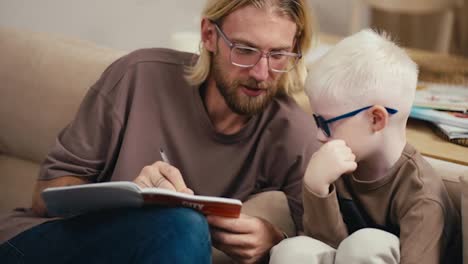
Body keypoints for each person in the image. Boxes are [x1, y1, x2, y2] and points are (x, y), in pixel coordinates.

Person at [0, 0, 319, 263]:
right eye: (245, 50)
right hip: (38, 245)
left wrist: (276, 240)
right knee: (185, 225)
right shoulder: (138, 76)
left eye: (278, 55)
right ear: (209, 35)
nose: (261, 74)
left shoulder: (290, 131)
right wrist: (129, 198)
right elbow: (44, 197)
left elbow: (326, 244)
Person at [269, 30, 461, 264]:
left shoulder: (423, 196)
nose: (319, 135)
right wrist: (318, 189)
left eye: (326, 123)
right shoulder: (337, 164)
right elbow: (324, 248)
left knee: (366, 246)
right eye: (316, 121)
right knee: (293, 250)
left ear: (376, 119)